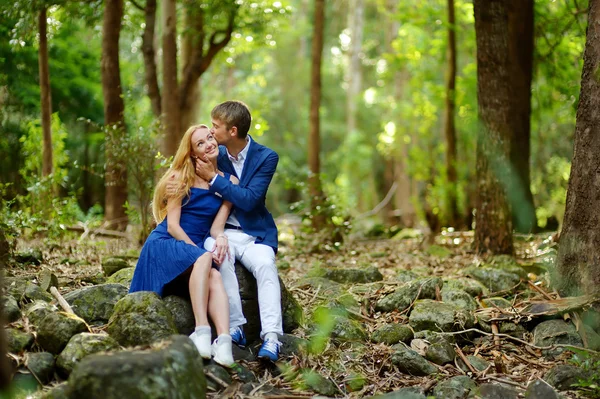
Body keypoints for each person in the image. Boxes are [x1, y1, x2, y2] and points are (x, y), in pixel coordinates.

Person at [129, 124, 237, 367]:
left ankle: (224, 342)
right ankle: (201, 331)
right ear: (193, 153)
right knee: (204, 260)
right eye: (200, 143)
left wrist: (221, 238)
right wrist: (197, 253)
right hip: (166, 243)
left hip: (194, 250)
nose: (208, 143)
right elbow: (173, 226)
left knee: (215, 278)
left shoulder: (229, 181)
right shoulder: (181, 177)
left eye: (210, 137)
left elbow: (216, 228)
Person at [195, 100, 283, 362]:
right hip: (224, 231)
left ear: (232, 131)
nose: (211, 133)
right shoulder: (215, 153)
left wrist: (215, 180)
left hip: (257, 234)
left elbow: (249, 200)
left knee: (266, 266)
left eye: (216, 127)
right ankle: (235, 327)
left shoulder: (266, 157)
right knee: (219, 256)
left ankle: (272, 338)